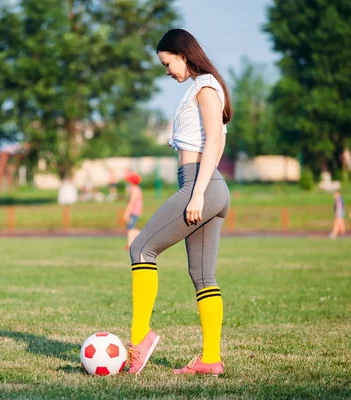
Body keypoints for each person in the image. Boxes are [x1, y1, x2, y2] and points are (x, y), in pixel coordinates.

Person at [126, 29, 232, 376]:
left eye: (167, 63)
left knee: (141, 248)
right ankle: (210, 360)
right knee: (202, 275)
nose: (167, 71)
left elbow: (214, 141)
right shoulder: (198, 88)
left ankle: (139, 339)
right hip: (207, 187)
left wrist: (198, 192)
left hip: (202, 185)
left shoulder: (205, 86)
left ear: (182, 55)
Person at [123, 173, 143, 250]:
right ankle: (130, 245)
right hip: (135, 211)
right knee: (130, 228)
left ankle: (143, 236)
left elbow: (131, 203)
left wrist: (126, 213)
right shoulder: (136, 189)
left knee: (130, 229)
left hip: (133, 212)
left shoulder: (135, 190)